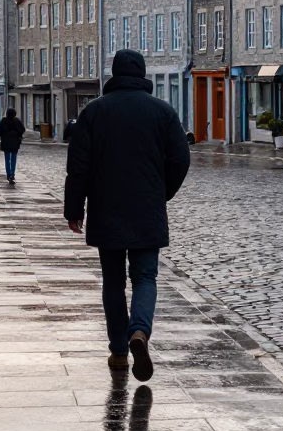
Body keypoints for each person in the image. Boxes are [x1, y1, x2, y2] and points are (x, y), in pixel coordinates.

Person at [63, 50, 190, 381]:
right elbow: (180, 160)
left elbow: (77, 168)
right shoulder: (163, 112)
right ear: (143, 74)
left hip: (107, 209)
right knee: (146, 277)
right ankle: (140, 332)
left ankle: (119, 351)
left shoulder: (94, 112)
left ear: (114, 75)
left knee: (113, 281)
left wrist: (74, 210)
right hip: (147, 209)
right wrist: (161, 193)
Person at [0, 109, 26, 184]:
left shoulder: (4, 121)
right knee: (13, 158)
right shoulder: (17, 121)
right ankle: (12, 173)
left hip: (6, 143)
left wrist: (5, 135)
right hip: (15, 143)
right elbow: (22, 130)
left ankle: (9, 174)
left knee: (7, 159)